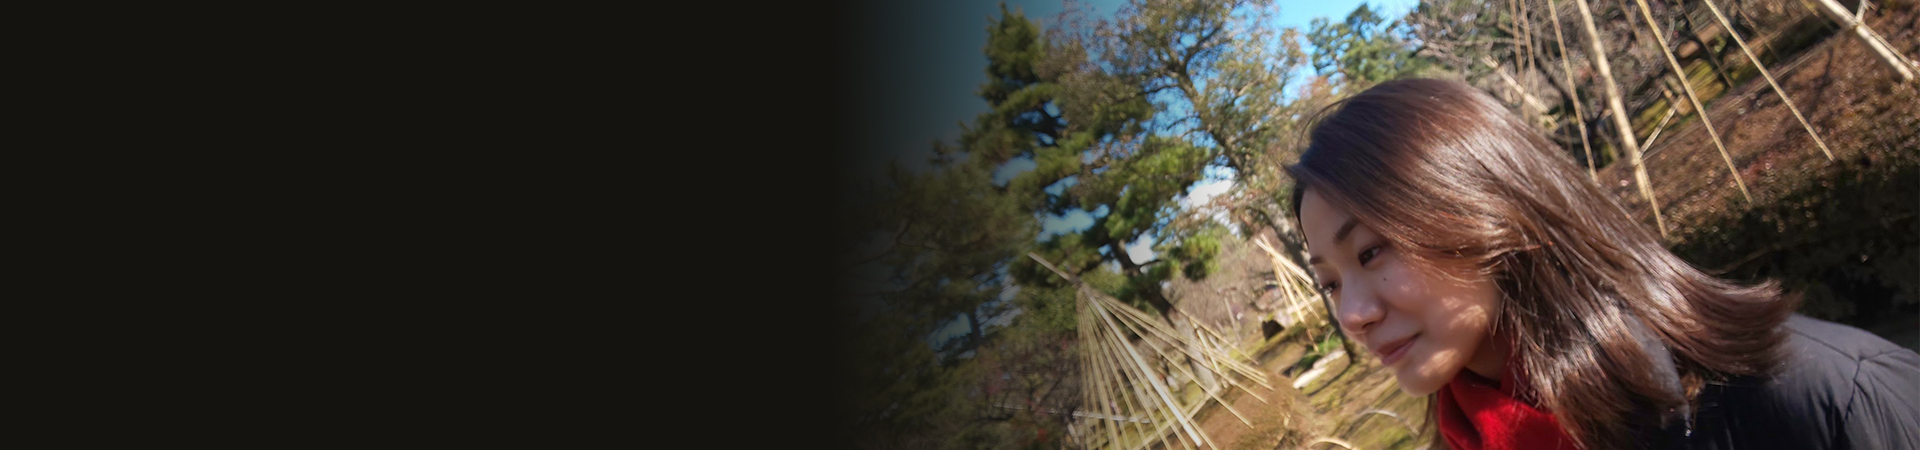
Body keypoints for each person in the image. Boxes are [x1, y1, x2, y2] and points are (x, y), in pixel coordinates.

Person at [1282, 78, 1919, 450]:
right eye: (1330, 282)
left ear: (1488, 212)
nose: (1354, 313)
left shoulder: (1822, 400)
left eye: (1371, 251)